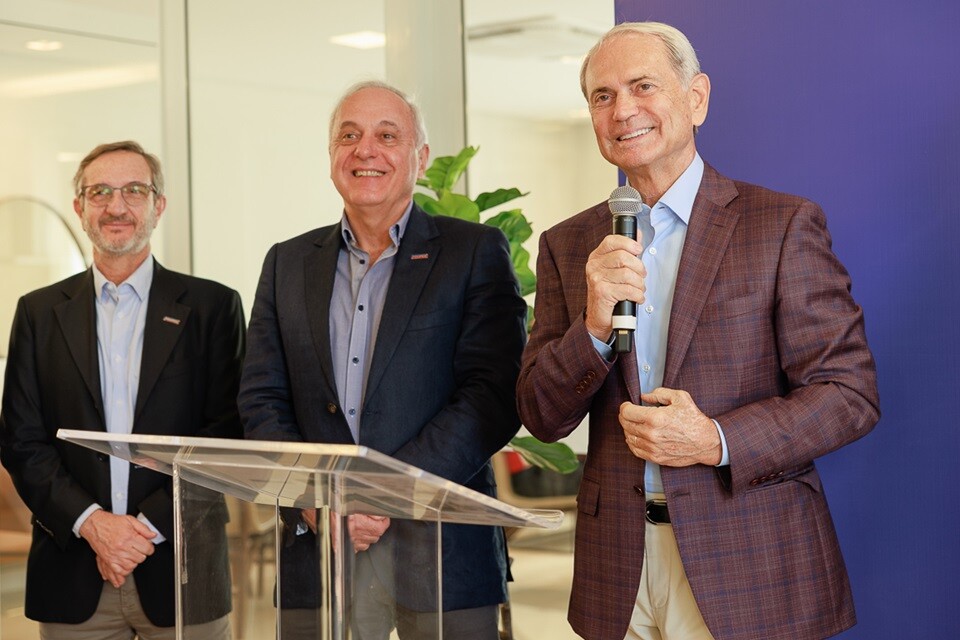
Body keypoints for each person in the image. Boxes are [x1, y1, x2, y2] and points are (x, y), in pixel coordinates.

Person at [517, 22, 880, 640]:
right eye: (602, 96)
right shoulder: (569, 244)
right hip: (617, 572)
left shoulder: (782, 225)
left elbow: (849, 396)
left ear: (697, 98)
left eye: (642, 86)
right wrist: (594, 327)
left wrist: (715, 438)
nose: (622, 109)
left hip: (751, 565)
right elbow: (542, 415)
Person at [238, 80, 527, 639]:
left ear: (419, 158)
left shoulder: (472, 252)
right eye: (349, 135)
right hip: (318, 549)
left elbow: (491, 395)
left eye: (386, 135)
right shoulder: (287, 263)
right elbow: (261, 397)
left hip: (441, 552)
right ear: (331, 158)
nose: (365, 149)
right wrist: (319, 499)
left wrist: (380, 498)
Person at [0, 141, 245, 639]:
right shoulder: (37, 313)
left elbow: (225, 436)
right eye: (100, 192)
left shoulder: (213, 309)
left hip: (181, 569)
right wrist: (94, 524)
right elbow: (21, 441)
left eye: (134, 190)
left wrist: (139, 531)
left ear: (159, 205)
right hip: (73, 570)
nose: (117, 206)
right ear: (80, 208)